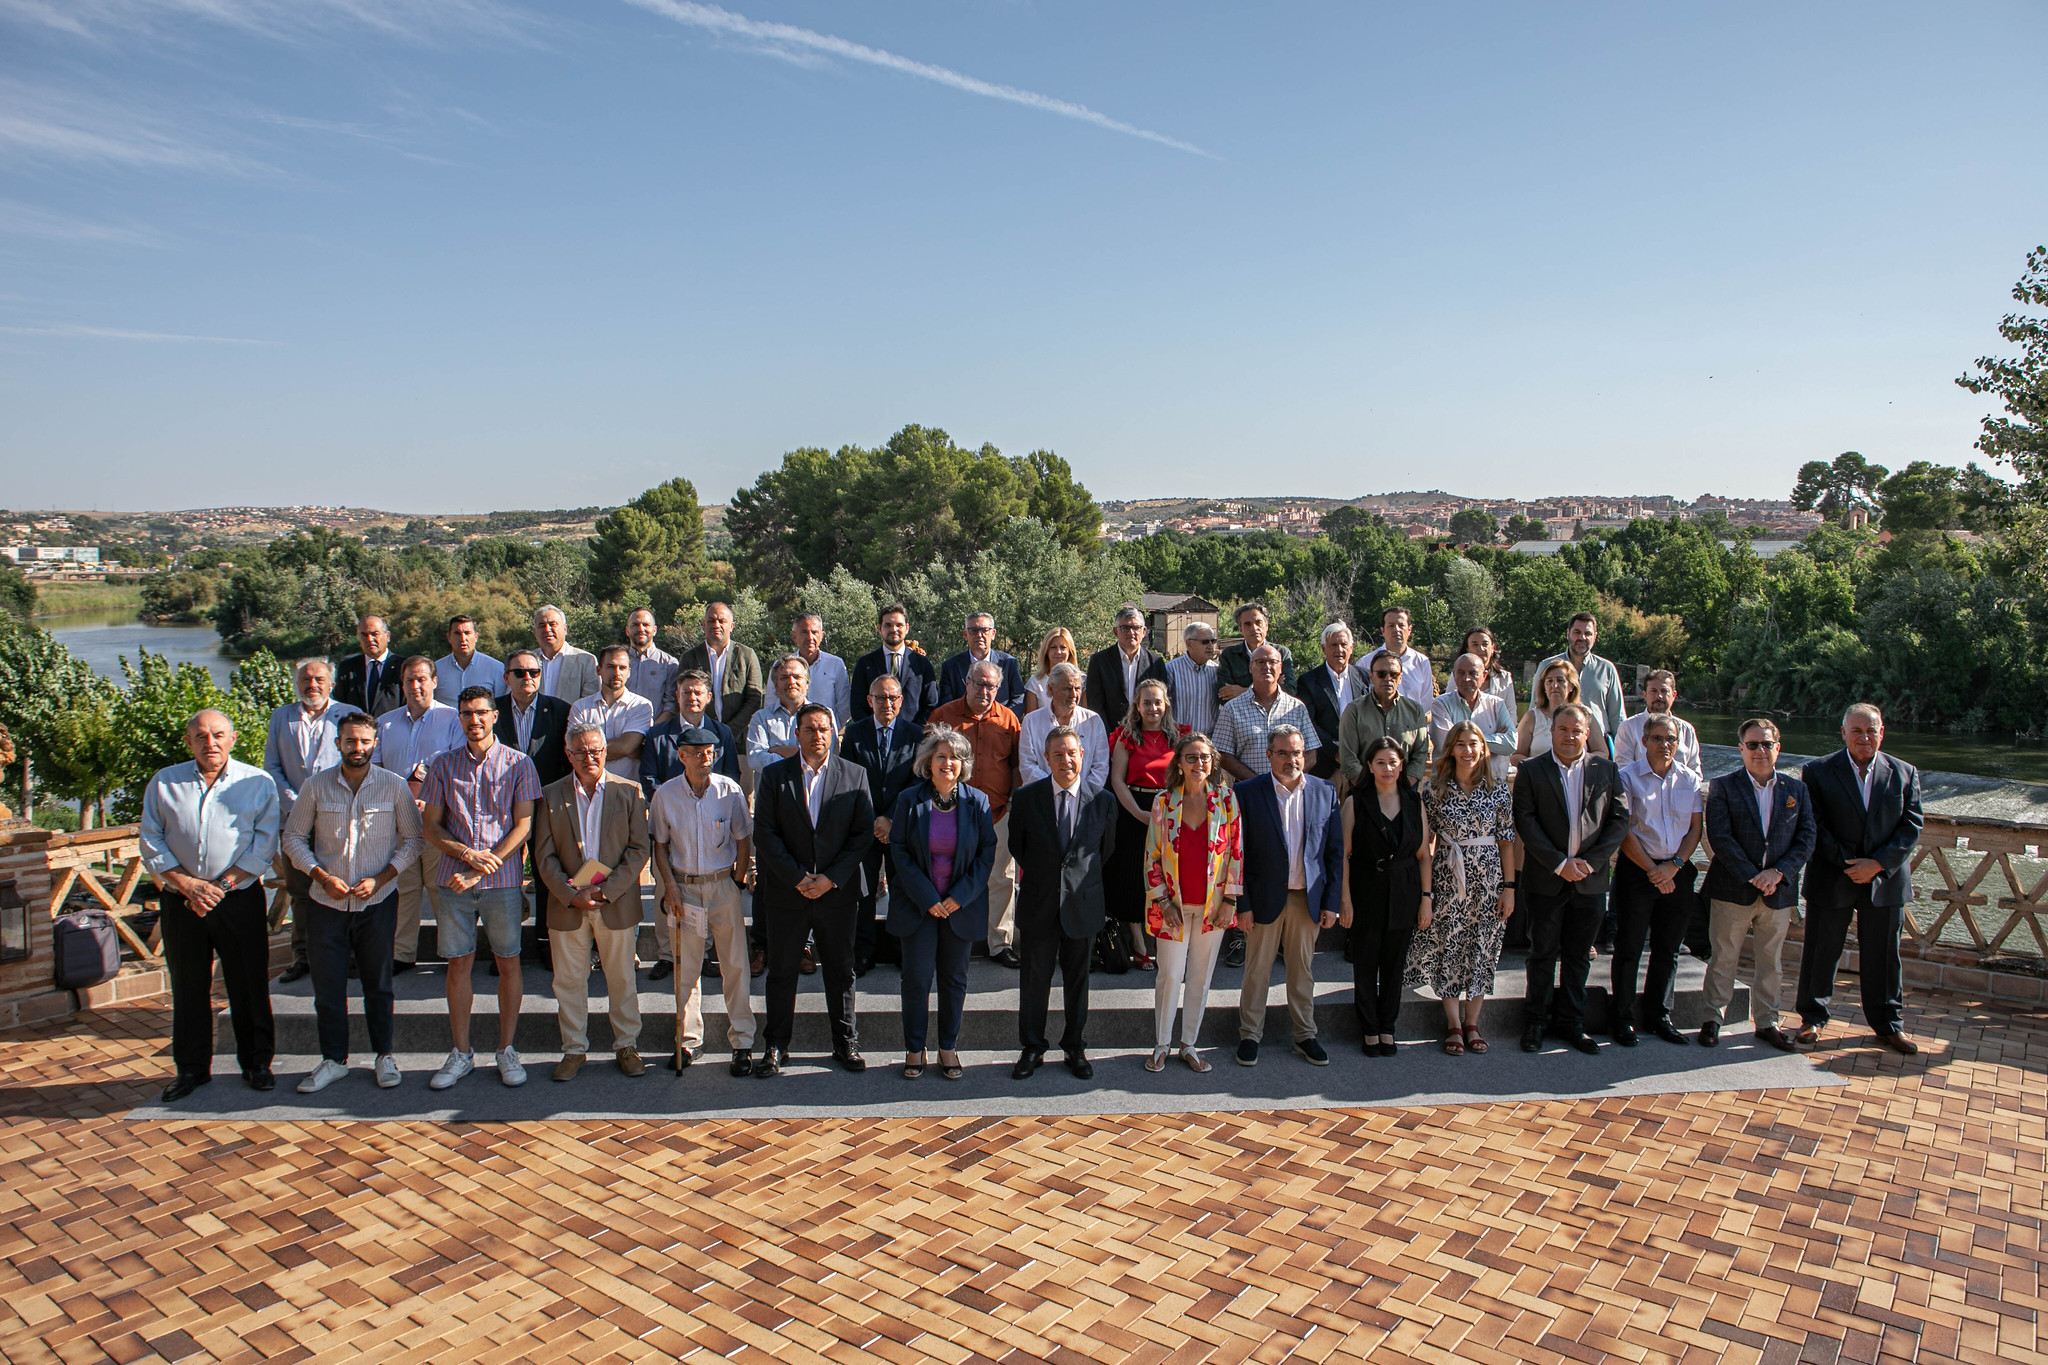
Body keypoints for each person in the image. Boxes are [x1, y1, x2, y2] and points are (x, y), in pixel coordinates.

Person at [140, 709, 281, 1103]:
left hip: (237, 899)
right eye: (201, 736)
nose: (210, 743)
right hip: (181, 902)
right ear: (189, 741)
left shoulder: (257, 782)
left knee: (248, 984)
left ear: (233, 738)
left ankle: (256, 1063)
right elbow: (151, 837)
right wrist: (187, 885)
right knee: (188, 986)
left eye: (218, 735)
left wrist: (217, 887)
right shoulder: (164, 782)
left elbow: (263, 844)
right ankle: (191, 1069)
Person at [283, 709, 421, 1093]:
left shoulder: (393, 786)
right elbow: (293, 838)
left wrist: (383, 877)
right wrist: (320, 875)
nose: (356, 747)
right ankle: (333, 1060)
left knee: (378, 984)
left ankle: (384, 1056)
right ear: (338, 743)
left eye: (363, 741)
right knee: (327, 987)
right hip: (325, 903)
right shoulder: (316, 786)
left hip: (377, 902)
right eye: (349, 741)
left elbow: (413, 840)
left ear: (375, 743)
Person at [420, 686, 543, 1090]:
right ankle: (461, 1053)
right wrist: (466, 854)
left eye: (481, 713)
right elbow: (432, 826)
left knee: (508, 962)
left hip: (503, 882)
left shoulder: (519, 764)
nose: (474, 720)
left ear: (494, 716)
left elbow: (523, 825)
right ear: (460, 718)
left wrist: (485, 861)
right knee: (458, 964)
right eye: (466, 713)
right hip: (453, 880)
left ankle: (506, 1049)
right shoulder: (442, 765)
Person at [751, 703, 876, 1076]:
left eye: (824, 729)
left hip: (837, 892)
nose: (817, 736)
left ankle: (845, 1042)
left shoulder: (854, 775)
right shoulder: (775, 776)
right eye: (810, 729)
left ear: (834, 734)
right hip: (788, 891)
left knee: (840, 970)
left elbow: (861, 835)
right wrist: (797, 877)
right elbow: (765, 833)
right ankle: (776, 1045)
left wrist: (829, 878)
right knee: (782, 971)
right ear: (797, 733)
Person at [1796, 703, 1926, 1054]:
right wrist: (1850, 863)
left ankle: (1888, 1024)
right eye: (1857, 731)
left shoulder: (1905, 772)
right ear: (1843, 733)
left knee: (1885, 956)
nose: (1865, 737)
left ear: (1882, 732)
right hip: (1833, 875)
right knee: (1821, 951)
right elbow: (1814, 824)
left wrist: (1878, 864)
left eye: (1872, 731)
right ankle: (1812, 1018)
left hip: (1886, 880)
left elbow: (1911, 826)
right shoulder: (1818, 771)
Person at [533, 721, 652, 1082]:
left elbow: (638, 849)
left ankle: (627, 1045)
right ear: (568, 754)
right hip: (567, 904)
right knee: (568, 981)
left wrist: (605, 890)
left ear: (606, 751)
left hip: (615, 902)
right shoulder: (551, 794)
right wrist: (573, 894)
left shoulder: (630, 792)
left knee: (621, 980)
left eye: (596, 750)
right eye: (581, 751)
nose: (590, 757)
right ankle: (573, 1049)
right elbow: (543, 855)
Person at [1512, 703, 1630, 1054]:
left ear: (1587, 732)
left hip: (1589, 881)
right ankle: (1536, 1023)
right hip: (1547, 879)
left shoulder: (1607, 770)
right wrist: (1559, 863)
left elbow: (1619, 820)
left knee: (1579, 956)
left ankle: (1572, 1025)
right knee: (1542, 953)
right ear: (1552, 731)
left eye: (1576, 730)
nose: (1569, 736)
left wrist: (1591, 863)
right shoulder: (1532, 770)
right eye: (1563, 729)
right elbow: (1525, 821)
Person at [887, 725, 997, 1081]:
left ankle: (948, 1047)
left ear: (963, 763)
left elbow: (985, 854)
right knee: (916, 980)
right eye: (941, 756)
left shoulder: (977, 802)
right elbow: (899, 852)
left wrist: (957, 898)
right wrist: (929, 898)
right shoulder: (908, 800)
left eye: (954, 757)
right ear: (928, 762)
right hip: (919, 908)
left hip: (959, 908)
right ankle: (914, 1048)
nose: (947, 762)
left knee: (954, 980)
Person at [1008, 725, 1118, 1080]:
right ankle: (1032, 1047)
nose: (1066, 760)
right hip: (1040, 903)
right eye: (1058, 754)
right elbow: (1017, 847)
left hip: (1082, 905)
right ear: (1046, 758)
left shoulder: (1102, 800)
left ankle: (1074, 1047)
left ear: (1082, 756)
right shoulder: (1026, 799)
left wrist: (1074, 882)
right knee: (1034, 982)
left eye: (1072, 753)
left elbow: (1105, 852)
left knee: (1077, 982)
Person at [1699, 718, 1816, 1051]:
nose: (1760, 751)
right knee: (1723, 958)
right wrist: (1753, 875)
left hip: (1778, 892)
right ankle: (1713, 1019)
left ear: (1778, 748)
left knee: (1771, 962)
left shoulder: (1798, 790)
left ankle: (1767, 1022)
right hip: (1733, 889)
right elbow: (1720, 836)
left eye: (1767, 744)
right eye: (1753, 745)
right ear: (1741, 749)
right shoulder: (1723, 786)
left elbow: (1807, 838)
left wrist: (1777, 873)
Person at [648, 726, 756, 1075]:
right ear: (681, 755)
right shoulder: (665, 795)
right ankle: (687, 1040)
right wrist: (670, 887)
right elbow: (660, 847)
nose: (704, 758)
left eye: (709, 752)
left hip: (723, 885)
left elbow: (743, 838)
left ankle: (742, 1041)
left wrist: (738, 879)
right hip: (685, 889)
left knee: (735, 965)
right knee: (687, 968)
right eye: (696, 752)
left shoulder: (729, 790)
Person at [1232, 725, 1341, 1066]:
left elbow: (1334, 853)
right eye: (1282, 753)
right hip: (1263, 896)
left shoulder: (1325, 792)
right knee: (1257, 971)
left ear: (1305, 755)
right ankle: (1250, 1035)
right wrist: (1243, 904)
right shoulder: (1247, 792)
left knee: (1302, 971)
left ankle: (1305, 1035)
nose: (1291, 759)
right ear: (1269, 756)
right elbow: (1238, 853)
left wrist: (1331, 902)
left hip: (1306, 898)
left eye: (1296, 753)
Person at [1407, 721, 1517, 1054]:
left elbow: (1506, 841)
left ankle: (1473, 1022)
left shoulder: (1497, 789)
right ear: (1450, 749)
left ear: (1483, 749)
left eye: (1474, 744)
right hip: (1447, 878)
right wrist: (1425, 893)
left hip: (1488, 882)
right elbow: (1423, 844)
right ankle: (1454, 1023)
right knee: (1449, 946)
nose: (1467, 751)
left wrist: (1509, 887)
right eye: (1460, 744)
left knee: (1484, 947)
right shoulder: (1433, 788)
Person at [1142, 731, 1243, 1073]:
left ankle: (1189, 1044)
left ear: (1213, 763)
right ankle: (1161, 1044)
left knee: (1200, 976)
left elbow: (1236, 854)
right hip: (1171, 906)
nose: (1198, 763)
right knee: (1170, 975)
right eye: (1191, 757)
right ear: (1180, 764)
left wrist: (1230, 898)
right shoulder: (1164, 802)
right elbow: (1151, 857)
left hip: (1213, 906)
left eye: (1204, 757)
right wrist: (1163, 901)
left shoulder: (1227, 801)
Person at [264, 658, 361, 984]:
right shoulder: (282, 717)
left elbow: (358, 762)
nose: (312, 684)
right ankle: (302, 958)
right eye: (305, 679)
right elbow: (272, 766)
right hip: (294, 820)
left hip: (338, 818)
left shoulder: (347, 714)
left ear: (331, 683)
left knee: (343, 888)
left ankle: (347, 956)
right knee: (300, 891)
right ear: (297, 683)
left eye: (319, 678)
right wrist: (298, 804)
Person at [1612, 714, 1705, 1048]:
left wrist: (1675, 866)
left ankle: (1659, 1015)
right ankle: (1622, 1018)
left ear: (1678, 743)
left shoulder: (1689, 779)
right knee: (1629, 947)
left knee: (1668, 949)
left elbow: (1695, 828)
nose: (1664, 745)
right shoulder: (1627, 777)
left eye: (1671, 739)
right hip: (1638, 871)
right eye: (1657, 738)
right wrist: (1653, 869)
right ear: (1644, 741)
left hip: (1677, 871)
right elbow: (1624, 829)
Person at [928, 659, 1024, 967]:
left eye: (991, 686)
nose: (985, 691)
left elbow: (1016, 765)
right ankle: (954, 939)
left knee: (1002, 879)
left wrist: (1012, 800)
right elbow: (926, 764)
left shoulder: (1008, 720)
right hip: (953, 814)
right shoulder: (943, 717)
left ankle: (1000, 943)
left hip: (998, 813)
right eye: (979, 684)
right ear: (966, 683)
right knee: (952, 877)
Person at [1343, 735, 1431, 1057]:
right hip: (1367, 890)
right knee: (1366, 963)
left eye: (1393, 761)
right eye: (1380, 762)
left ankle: (1387, 1026)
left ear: (1401, 765)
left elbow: (1423, 855)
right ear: (1369, 765)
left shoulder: (1414, 802)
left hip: (1405, 891)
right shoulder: (1355, 802)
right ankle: (1368, 1027)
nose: (1387, 767)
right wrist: (1345, 901)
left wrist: (1426, 898)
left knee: (1395, 965)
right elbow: (1344, 855)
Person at [380, 655, 463, 974]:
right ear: (402, 685)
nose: (415, 686)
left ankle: (450, 951)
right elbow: (376, 768)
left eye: (421, 679)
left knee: (439, 888)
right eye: (409, 681)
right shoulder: (386, 722)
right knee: (404, 889)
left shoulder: (452, 719)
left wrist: (429, 797)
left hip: (437, 821)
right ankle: (402, 954)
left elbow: (457, 768)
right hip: (397, 822)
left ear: (434, 681)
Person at [842, 674, 921, 974]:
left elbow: (917, 781)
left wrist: (891, 818)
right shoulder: (855, 733)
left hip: (901, 827)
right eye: (880, 698)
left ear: (901, 701)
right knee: (863, 893)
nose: (886, 703)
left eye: (892, 698)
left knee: (902, 891)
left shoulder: (915, 735)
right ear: (869, 701)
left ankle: (903, 951)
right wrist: (875, 819)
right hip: (865, 825)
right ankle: (863, 953)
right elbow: (848, 777)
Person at [1108, 678, 1183, 970]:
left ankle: (1166, 937)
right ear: (1137, 707)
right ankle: (1139, 944)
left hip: (1170, 812)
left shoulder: (1179, 737)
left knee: (1167, 874)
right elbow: (1117, 780)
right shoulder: (1126, 737)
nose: (1153, 707)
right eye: (1146, 702)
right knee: (1133, 877)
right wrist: (1140, 815)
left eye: (1158, 701)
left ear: (1166, 705)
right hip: (1133, 812)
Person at [676, 601, 766, 783]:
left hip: (738, 742)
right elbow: (681, 695)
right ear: (703, 624)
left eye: (721, 621)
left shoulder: (746, 655)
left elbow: (754, 699)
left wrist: (727, 732)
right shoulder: (690, 657)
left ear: (731, 626)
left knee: (740, 797)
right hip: (698, 742)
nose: (716, 625)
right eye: (711, 620)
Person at [1214, 645, 1322, 781]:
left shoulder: (1297, 707)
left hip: (1290, 791)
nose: (1266, 666)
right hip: (1249, 792)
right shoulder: (1232, 709)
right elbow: (1223, 755)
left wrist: (1288, 780)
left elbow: (1311, 753)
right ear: (1250, 667)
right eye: (1260, 662)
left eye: (1272, 662)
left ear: (1280, 668)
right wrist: (1259, 784)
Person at [1337, 650, 1430, 793]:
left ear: (1400, 678)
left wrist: (1402, 787)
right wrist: (1374, 788)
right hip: (1364, 792)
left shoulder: (1415, 711)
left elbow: (1420, 755)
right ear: (1371, 677)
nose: (1388, 678)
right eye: (1381, 674)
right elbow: (1348, 758)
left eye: (1394, 675)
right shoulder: (1354, 711)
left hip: (1405, 792)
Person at [640, 669, 741, 794]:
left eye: (698, 693)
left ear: (709, 697)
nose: (692, 698)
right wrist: (671, 803)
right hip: (670, 808)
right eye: (686, 692)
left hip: (712, 807)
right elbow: (648, 778)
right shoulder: (657, 735)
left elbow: (731, 775)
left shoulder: (723, 733)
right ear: (677, 696)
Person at [1537, 613, 1624, 752]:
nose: (1582, 637)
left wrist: (1622, 752)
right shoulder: (1547, 666)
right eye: (1577, 632)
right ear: (1568, 634)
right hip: (1557, 744)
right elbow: (1536, 705)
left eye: (1587, 633)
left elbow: (1616, 716)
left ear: (1595, 637)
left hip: (1598, 748)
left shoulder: (1607, 669)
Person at [568, 644, 653, 782]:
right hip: (588, 787)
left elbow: (626, 746)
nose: (617, 673)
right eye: (610, 667)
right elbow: (575, 748)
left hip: (628, 789)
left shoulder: (641, 706)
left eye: (622, 668)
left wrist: (588, 752)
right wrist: (626, 750)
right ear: (598, 670)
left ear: (629, 672)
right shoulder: (581, 707)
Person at [1429, 653, 1517, 782]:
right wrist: (1492, 741)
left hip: (1489, 786)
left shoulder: (1496, 705)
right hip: (1449, 786)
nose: (1466, 678)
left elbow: (1511, 744)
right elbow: (1446, 745)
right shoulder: (1441, 705)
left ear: (1484, 676)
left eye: (1473, 673)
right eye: (1461, 673)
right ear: (1454, 675)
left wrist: (1462, 743)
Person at [1296, 622, 1368, 782]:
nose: (1339, 650)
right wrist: (1336, 751)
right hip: (1328, 767)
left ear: (1351, 647)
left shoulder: (1365, 677)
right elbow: (1309, 721)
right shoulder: (1308, 681)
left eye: (1343, 644)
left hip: (1363, 764)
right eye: (1333, 645)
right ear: (1323, 649)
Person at [1019, 662, 1109, 788]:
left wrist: (1081, 793)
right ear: (1050, 689)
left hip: (1084, 801)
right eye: (1067, 689)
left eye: (1077, 689)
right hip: (1043, 798)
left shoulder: (1093, 721)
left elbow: (1101, 765)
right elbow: (1027, 765)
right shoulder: (1031, 722)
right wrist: (1054, 790)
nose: (1073, 695)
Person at [850, 602, 939, 728]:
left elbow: (931, 703)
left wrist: (915, 731)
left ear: (907, 628)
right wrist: (873, 730)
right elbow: (857, 706)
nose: (894, 629)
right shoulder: (865, 664)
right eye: (888, 625)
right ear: (879, 628)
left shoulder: (921, 663)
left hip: (913, 740)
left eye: (899, 625)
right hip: (875, 739)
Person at [495, 649, 573, 787]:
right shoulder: (492, 711)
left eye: (533, 672)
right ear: (506, 678)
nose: (527, 677)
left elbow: (567, 760)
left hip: (547, 794)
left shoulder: (561, 710)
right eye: (519, 673)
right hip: (503, 792)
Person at [1512, 657, 1608, 768]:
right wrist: (1541, 767)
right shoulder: (1532, 717)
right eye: (1549, 681)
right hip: (1539, 779)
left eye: (1560, 680)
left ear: (1571, 686)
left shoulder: (1585, 715)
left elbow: (1602, 753)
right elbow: (1516, 755)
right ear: (1544, 687)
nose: (1554, 685)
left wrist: (1578, 768)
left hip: (1578, 778)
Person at [748, 653, 834, 774]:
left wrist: (775, 751)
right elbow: (756, 761)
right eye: (784, 677)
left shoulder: (825, 716)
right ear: (776, 685)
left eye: (797, 677)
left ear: (807, 683)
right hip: (773, 791)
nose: (791, 681)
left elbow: (824, 757)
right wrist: (803, 755)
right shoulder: (760, 718)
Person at [1085, 603, 1169, 724]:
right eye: (1125, 628)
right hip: (1110, 734)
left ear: (1144, 631)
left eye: (1136, 628)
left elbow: (1162, 702)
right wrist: (1110, 737)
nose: (1131, 633)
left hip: (1145, 735)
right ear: (1115, 632)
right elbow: (1095, 705)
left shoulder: (1155, 663)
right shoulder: (1099, 661)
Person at [1613, 670, 1702, 774]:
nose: (1659, 696)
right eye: (1653, 691)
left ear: (1674, 695)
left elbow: (1695, 772)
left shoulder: (1687, 730)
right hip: (1640, 789)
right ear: (1644, 694)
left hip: (1678, 788)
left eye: (1664, 691)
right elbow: (1623, 770)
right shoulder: (1628, 727)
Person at [937, 611, 1027, 713]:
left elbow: (1019, 697)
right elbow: (946, 703)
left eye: (985, 630)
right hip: (961, 726)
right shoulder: (950, 667)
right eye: (973, 630)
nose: (979, 635)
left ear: (993, 634)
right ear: (965, 634)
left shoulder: (1009, 663)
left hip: (1000, 725)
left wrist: (1002, 722)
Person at [1215, 602, 1296, 702]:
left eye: (1258, 622)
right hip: (1240, 716)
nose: (1254, 628)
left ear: (1266, 626)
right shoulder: (1229, 655)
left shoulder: (1281, 653)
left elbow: (1290, 691)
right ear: (1241, 629)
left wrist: (1242, 691)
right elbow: (1224, 696)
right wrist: (1273, 685)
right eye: (1247, 624)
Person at [1360, 607, 1436, 708]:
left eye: (1401, 625)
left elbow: (1426, 706)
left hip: (1413, 722)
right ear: (1383, 630)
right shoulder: (1365, 663)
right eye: (1391, 626)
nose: (1396, 629)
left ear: (1409, 630)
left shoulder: (1422, 662)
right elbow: (1360, 702)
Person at [334, 614, 402, 716]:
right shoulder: (347, 668)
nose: (369, 639)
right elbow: (340, 704)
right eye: (364, 635)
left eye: (375, 634)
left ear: (387, 636)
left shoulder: (402, 666)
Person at [790, 612, 850, 726]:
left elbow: (845, 706)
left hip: (825, 737)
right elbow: (772, 703)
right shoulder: (783, 667)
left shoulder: (836, 664)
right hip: (790, 737)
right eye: (804, 632)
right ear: (794, 636)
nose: (810, 637)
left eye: (814, 632)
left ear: (822, 635)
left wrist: (831, 731)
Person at [624, 607, 681, 726]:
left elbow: (671, 706)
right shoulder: (618, 663)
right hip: (621, 732)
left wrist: (649, 732)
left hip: (655, 734)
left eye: (646, 625)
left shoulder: (669, 664)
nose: (641, 629)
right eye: (635, 625)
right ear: (627, 630)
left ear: (654, 630)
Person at [531, 604, 599, 702]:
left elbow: (591, 701)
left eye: (552, 624)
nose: (547, 629)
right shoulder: (525, 661)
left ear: (565, 629)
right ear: (535, 631)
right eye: (542, 625)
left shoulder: (586, 661)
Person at [1164, 622, 1222, 736]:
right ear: (1189, 643)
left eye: (1213, 641)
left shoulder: (1217, 671)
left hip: (1209, 742)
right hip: (1179, 741)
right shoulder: (1171, 670)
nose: (1210, 646)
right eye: (1205, 642)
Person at [434, 614, 504, 704]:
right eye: (457, 633)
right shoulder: (436, 669)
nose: (463, 639)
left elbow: (501, 705)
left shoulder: (496, 668)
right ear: (449, 638)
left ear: (476, 637)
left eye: (467, 633)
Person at [1461, 627, 1517, 721]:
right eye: (1475, 645)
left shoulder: (1504, 678)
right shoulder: (1458, 676)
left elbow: (1511, 713)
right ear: (1467, 649)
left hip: (1496, 733)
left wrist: (1504, 730)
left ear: (1492, 648)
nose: (1481, 649)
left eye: (1485, 644)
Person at [1022, 627, 1080, 715]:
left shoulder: (1081, 681)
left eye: (1063, 647)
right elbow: (1031, 720)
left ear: (1070, 651)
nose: (1058, 652)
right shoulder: (1035, 683)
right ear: (1046, 651)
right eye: (1053, 647)